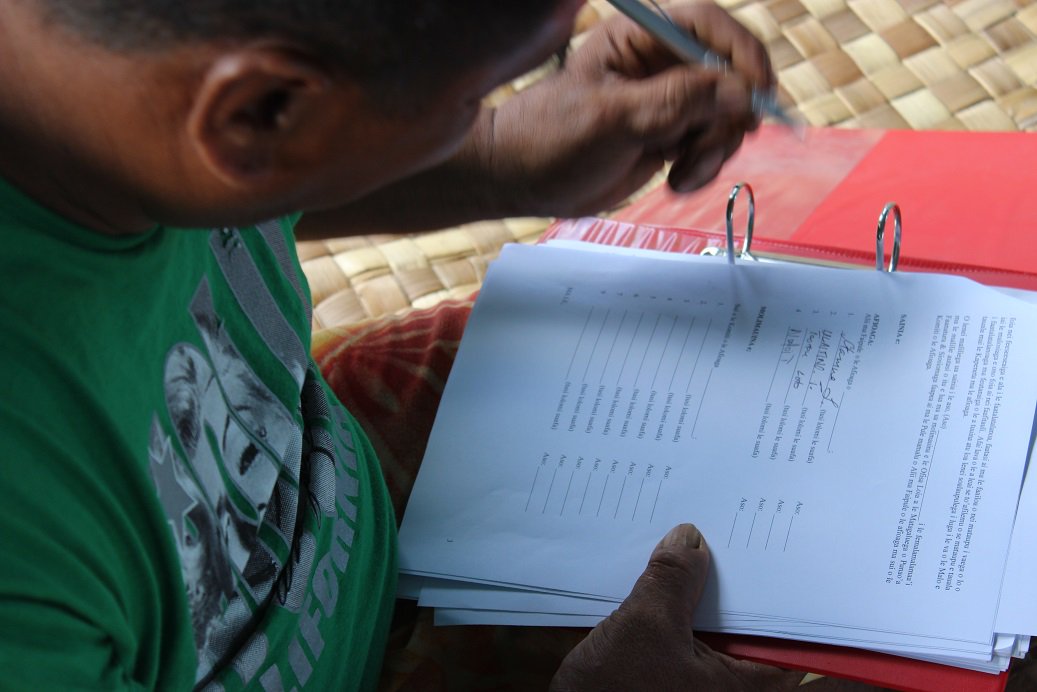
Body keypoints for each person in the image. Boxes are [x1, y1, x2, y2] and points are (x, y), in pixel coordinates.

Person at [0, 0, 806, 688]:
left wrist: (499, 158)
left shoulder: (102, 95)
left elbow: (241, 181)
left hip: (335, 476)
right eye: (479, 95)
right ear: (262, 114)